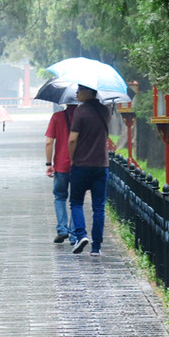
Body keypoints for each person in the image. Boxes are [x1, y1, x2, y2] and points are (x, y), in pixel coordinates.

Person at [67, 85, 112, 256]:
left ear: (90, 92)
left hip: (81, 164)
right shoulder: (105, 111)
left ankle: (81, 235)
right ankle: (96, 247)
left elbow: (72, 139)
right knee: (99, 207)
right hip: (101, 165)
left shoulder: (81, 111)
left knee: (76, 202)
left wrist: (73, 158)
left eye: (80, 89)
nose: (77, 92)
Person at [45, 103, 79, 245]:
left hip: (60, 165)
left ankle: (62, 229)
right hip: (79, 164)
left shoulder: (57, 117)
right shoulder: (83, 117)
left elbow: (49, 142)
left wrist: (48, 164)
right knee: (76, 201)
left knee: (60, 198)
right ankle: (73, 234)